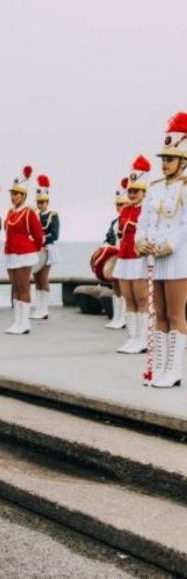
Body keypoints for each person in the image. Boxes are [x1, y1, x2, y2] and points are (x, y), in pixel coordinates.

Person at [136, 112, 187, 388]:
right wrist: (142, 241)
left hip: (178, 258)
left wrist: (169, 244)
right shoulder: (154, 189)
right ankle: (160, 367)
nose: (165, 164)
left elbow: (185, 224)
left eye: (170, 159)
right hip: (155, 257)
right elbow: (144, 220)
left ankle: (174, 369)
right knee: (160, 314)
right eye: (164, 159)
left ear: (182, 160)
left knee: (177, 313)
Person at [114, 156, 152, 354]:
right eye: (130, 190)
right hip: (124, 255)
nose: (132, 194)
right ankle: (132, 338)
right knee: (128, 298)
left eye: (135, 190)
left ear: (144, 191)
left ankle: (143, 339)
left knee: (141, 298)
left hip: (138, 257)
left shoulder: (148, 209)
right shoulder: (125, 210)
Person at [3, 166, 44, 335]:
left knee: (23, 287)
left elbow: (38, 235)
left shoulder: (29, 213)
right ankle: (17, 321)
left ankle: (25, 322)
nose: (13, 197)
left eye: (17, 193)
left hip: (24, 254)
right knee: (14, 287)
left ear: (24, 195)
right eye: (12, 193)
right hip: (11, 253)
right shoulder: (10, 212)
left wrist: (30, 250)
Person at [30, 175, 60, 320]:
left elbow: (54, 235)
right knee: (36, 278)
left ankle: (44, 309)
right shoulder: (34, 215)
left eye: (43, 202)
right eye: (38, 202)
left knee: (43, 278)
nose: (40, 204)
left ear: (47, 201)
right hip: (36, 249)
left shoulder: (53, 216)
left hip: (47, 249)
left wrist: (41, 239)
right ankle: (38, 308)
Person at [105, 188, 130, 330]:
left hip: (127, 257)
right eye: (117, 205)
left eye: (122, 204)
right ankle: (117, 316)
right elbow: (109, 237)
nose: (119, 207)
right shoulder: (114, 222)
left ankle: (124, 318)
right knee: (115, 287)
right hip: (116, 256)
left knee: (124, 287)